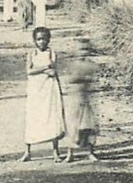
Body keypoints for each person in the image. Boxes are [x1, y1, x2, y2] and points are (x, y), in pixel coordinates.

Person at [20, 26, 65, 162]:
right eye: (39, 39)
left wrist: (39, 70)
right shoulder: (31, 54)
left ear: (48, 40)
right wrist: (45, 67)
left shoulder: (52, 53)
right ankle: (27, 151)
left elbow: (53, 72)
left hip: (49, 88)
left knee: (51, 116)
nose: (41, 42)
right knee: (33, 117)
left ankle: (55, 152)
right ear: (34, 40)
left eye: (44, 39)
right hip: (35, 89)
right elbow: (29, 71)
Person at [64, 37, 100, 163]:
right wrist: (80, 78)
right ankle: (70, 153)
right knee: (73, 126)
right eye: (80, 50)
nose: (83, 52)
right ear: (75, 51)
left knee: (89, 126)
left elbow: (93, 80)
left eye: (86, 50)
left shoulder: (91, 65)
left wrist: (84, 78)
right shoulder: (72, 65)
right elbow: (68, 80)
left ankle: (91, 151)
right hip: (74, 98)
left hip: (86, 98)